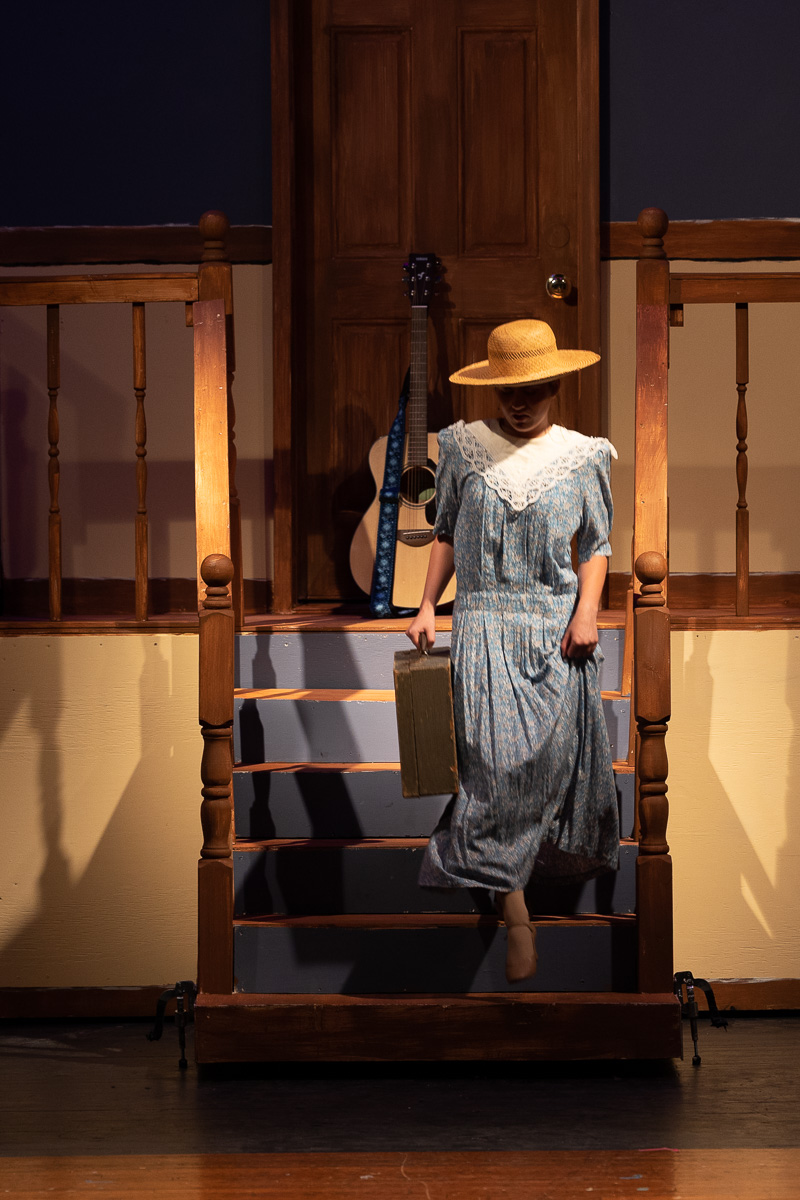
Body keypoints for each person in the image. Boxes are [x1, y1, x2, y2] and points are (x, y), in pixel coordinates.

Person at [405, 319, 619, 983]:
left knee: (547, 764)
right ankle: (517, 916)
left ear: (555, 386)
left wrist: (587, 612)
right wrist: (426, 604)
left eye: (531, 390)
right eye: (507, 392)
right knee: (493, 771)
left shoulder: (583, 457)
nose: (519, 404)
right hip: (485, 627)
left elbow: (598, 546)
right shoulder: (463, 448)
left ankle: (510, 885)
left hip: (556, 633)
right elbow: (445, 532)